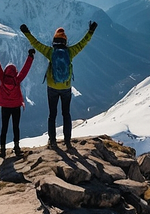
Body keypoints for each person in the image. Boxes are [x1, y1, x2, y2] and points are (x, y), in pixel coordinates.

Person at [19, 21, 98, 150]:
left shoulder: (50, 52)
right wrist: (91, 31)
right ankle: (67, 142)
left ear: (54, 41)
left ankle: (53, 141)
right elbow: (83, 43)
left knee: (52, 115)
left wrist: (26, 32)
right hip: (66, 87)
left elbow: (36, 44)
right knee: (66, 114)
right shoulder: (70, 52)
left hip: (52, 87)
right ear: (65, 42)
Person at [0, 45, 35, 158]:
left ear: (6, 71)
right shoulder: (17, 79)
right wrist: (30, 57)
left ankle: (3, 150)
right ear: (14, 72)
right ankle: (17, 148)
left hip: (4, 107)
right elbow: (25, 69)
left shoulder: (2, 77)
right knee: (16, 127)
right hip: (16, 106)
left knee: (4, 128)